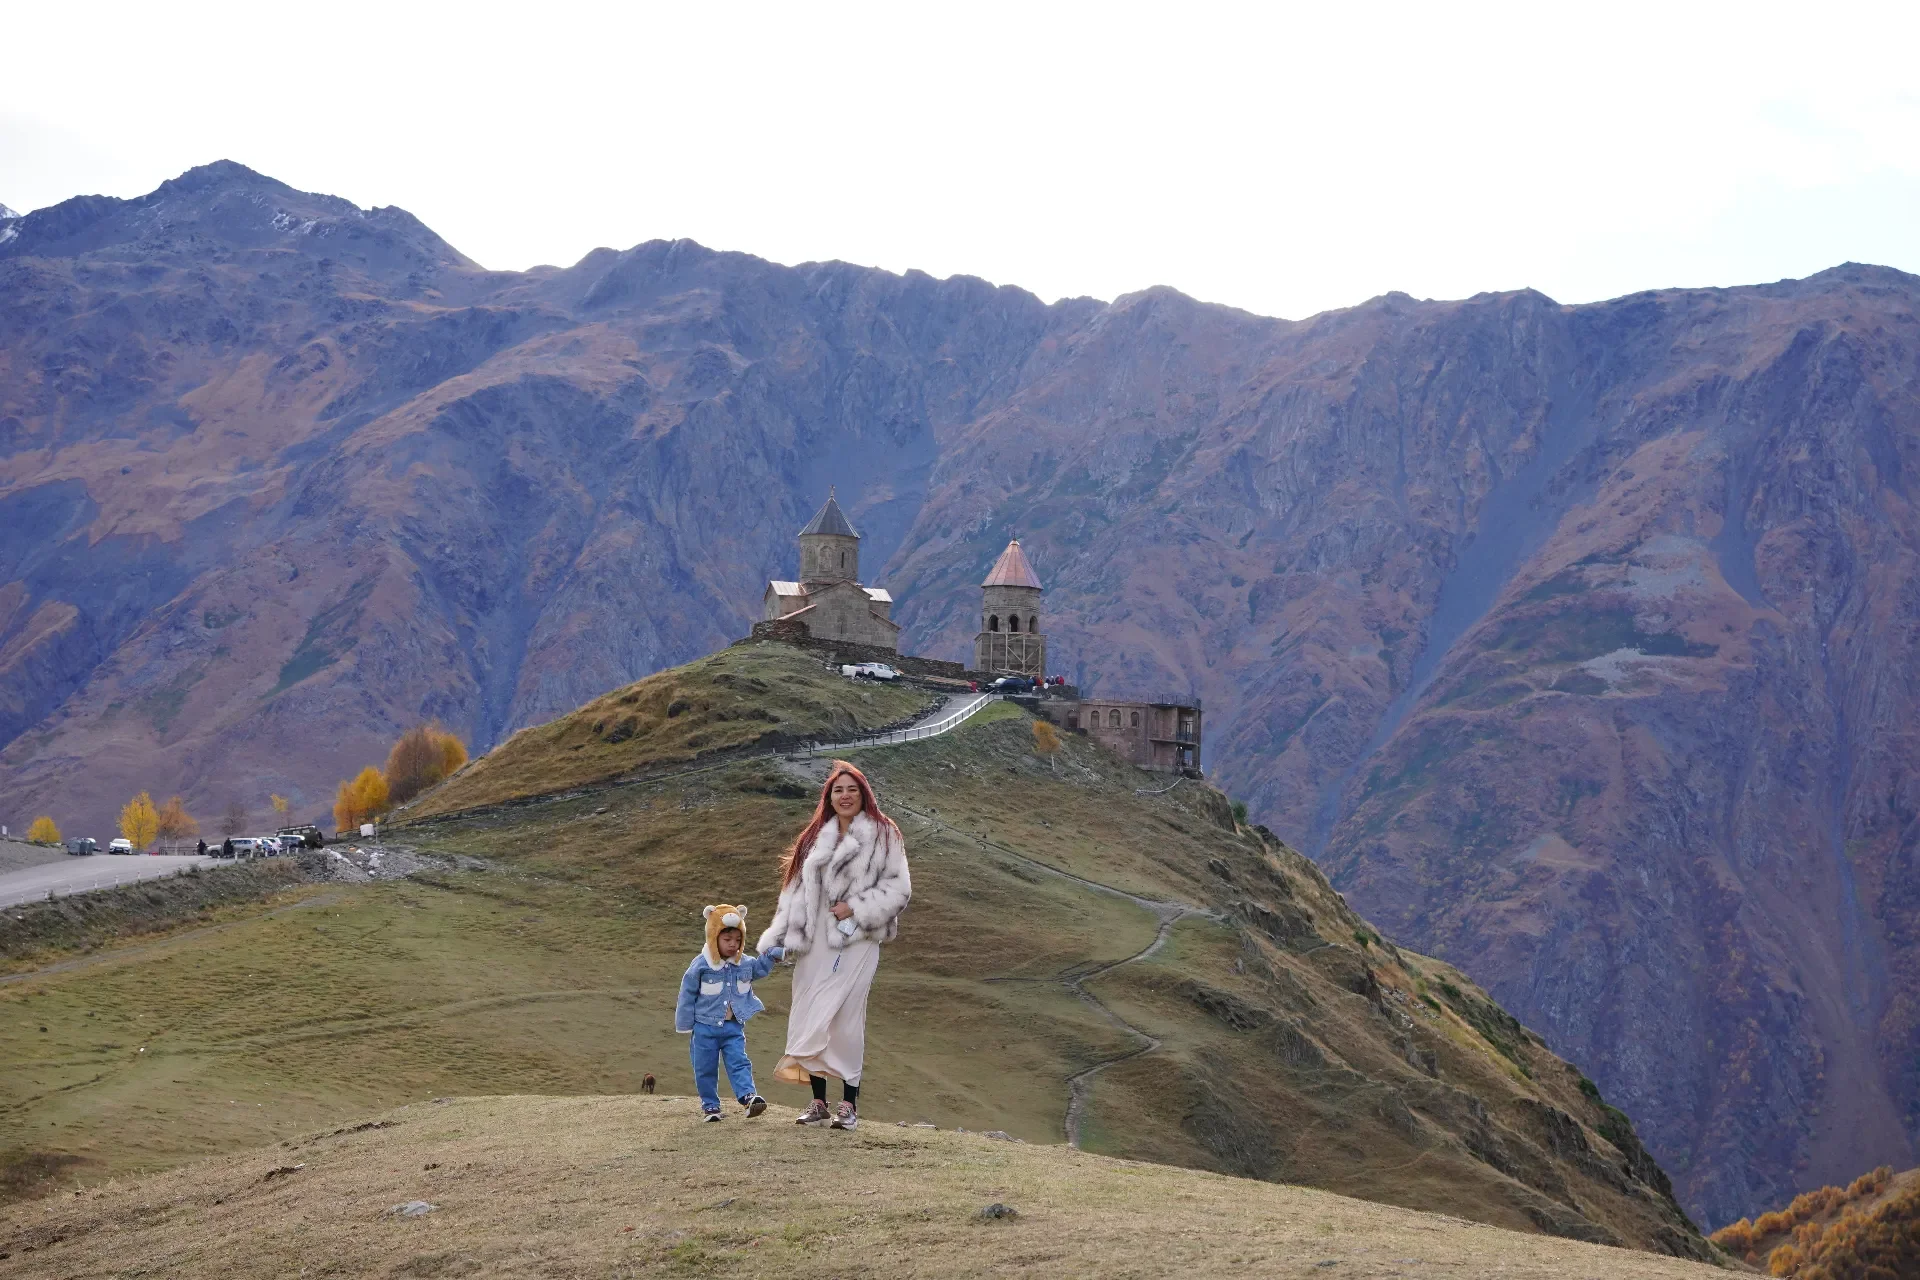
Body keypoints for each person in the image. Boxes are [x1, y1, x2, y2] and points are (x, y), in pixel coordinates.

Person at [757, 760, 910, 1131]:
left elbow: (899, 889)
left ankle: (849, 1106)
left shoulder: (885, 834)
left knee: (845, 1018)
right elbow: (794, 893)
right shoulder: (815, 837)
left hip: (857, 938)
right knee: (810, 1013)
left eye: (851, 789)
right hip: (815, 944)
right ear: (829, 796)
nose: (844, 796)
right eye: (838, 790)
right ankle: (818, 1104)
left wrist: (855, 908)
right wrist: (781, 937)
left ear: (864, 795)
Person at [675, 904, 783, 1122]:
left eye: (738, 940)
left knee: (739, 1061)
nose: (733, 945)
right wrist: (685, 1024)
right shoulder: (701, 965)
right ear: (714, 937)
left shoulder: (745, 963)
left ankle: (748, 1098)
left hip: (734, 1027)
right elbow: (687, 993)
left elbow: (760, 968)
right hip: (704, 1027)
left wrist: (773, 953)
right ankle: (711, 1107)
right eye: (727, 940)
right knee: (704, 1068)